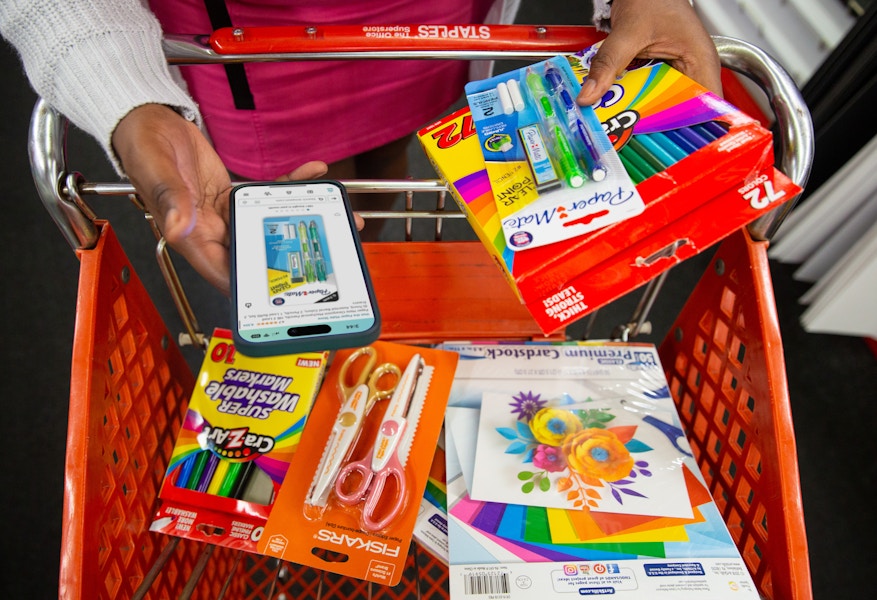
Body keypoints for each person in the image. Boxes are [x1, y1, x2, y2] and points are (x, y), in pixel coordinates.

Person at [1, 0, 721, 296]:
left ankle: (374, 287)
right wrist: (126, 98)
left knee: (390, 159)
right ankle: (323, 320)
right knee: (293, 200)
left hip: (436, 27)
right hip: (245, 47)